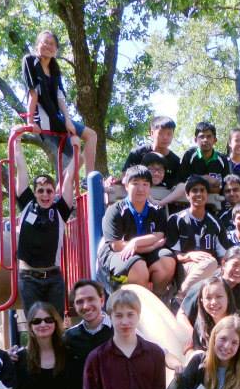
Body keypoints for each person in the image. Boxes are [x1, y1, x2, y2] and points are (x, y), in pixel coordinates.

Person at [23, 30, 97, 181]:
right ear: (38, 45)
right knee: (77, 153)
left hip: (57, 118)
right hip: (43, 120)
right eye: (45, 42)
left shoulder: (54, 68)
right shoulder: (30, 61)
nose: (48, 46)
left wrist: (68, 120)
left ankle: (88, 182)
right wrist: (30, 121)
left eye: (52, 44)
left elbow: (60, 97)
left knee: (86, 142)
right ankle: (83, 183)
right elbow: (33, 93)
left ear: (56, 50)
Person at [13, 136, 73, 317]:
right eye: (40, 190)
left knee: (56, 323)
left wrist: (78, 150)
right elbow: (21, 170)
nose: (45, 194)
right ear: (35, 192)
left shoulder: (60, 211)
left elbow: (69, 179)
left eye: (49, 190)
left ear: (54, 193)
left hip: (53, 277)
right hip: (29, 278)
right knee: (35, 323)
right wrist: (16, 141)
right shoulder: (27, 206)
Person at [97, 165, 176, 294]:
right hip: (116, 255)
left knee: (167, 262)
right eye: (135, 183)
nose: (141, 189)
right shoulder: (115, 210)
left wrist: (135, 243)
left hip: (144, 254)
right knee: (139, 268)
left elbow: (159, 236)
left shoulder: (156, 210)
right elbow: (117, 246)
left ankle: (157, 301)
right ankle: (138, 308)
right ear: (127, 186)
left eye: (145, 184)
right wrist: (150, 247)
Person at [166, 175, 226, 301]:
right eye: (194, 190)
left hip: (212, 268)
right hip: (186, 265)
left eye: (202, 190)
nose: (199, 194)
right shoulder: (176, 219)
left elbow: (223, 254)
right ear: (187, 195)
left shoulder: (215, 222)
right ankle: (181, 296)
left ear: (207, 194)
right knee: (210, 263)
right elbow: (172, 254)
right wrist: (189, 256)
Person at [178, 246, 240, 329]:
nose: (238, 270)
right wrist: (192, 338)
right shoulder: (205, 287)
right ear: (223, 264)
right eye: (235, 265)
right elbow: (181, 315)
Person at [188, 276, 240, 361]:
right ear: (201, 301)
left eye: (219, 296)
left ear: (228, 298)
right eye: (208, 298)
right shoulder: (200, 326)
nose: (214, 302)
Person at [158, 121, 228, 207]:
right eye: (201, 137)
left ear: (215, 140)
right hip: (189, 204)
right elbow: (181, 183)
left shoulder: (223, 160)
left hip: (215, 205)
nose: (205, 140)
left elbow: (224, 187)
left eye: (209, 136)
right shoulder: (189, 155)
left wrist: (216, 186)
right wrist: (205, 179)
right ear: (195, 140)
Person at [122, 116, 181, 189]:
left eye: (169, 134)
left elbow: (178, 185)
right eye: (161, 133)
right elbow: (125, 178)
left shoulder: (176, 161)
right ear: (151, 133)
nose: (165, 137)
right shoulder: (137, 154)